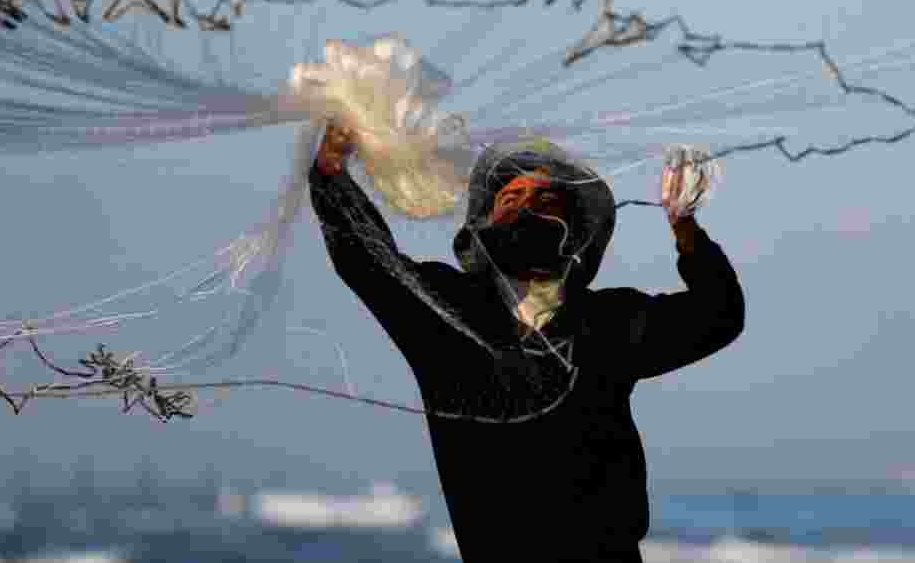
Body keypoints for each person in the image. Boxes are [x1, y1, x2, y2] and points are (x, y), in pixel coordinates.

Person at [309, 124, 744, 563]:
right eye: (510, 200)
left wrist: (685, 228)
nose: (525, 209)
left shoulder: (611, 322)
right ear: (486, 224)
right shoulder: (444, 313)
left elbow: (719, 315)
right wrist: (331, 174)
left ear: (573, 230)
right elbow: (365, 256)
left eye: (545, 200)